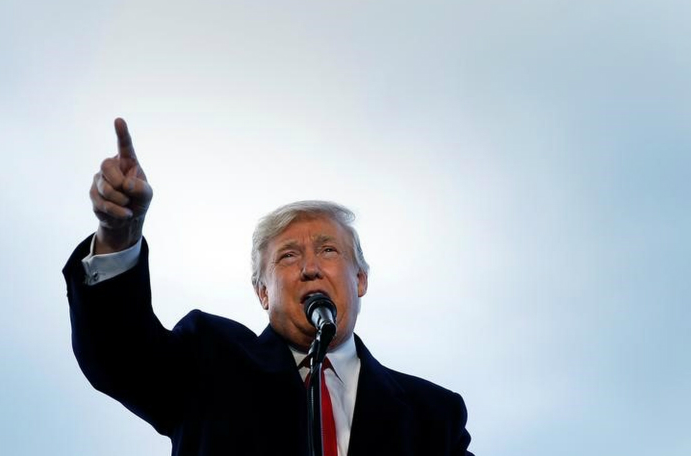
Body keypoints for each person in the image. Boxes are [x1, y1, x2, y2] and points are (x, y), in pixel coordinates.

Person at [63, 118, 474, 456]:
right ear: (262, 292)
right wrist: (119, 234)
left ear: (361, 279)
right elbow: (119, 356)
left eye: (328, 250)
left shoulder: (433, 414)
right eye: (289, 256)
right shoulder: (209, 361)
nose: (311, 267)